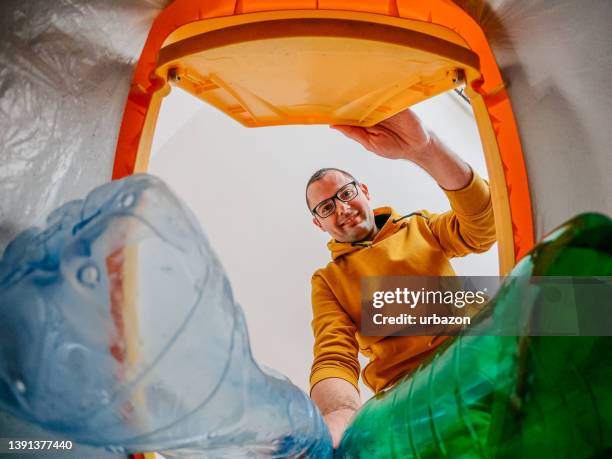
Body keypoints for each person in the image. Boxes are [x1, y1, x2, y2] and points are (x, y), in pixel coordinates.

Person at [305, 108, 496, 447]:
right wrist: (337, 415)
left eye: (345, 194)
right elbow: (334, 356)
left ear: (364, 191)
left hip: (477, 358)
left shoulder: (420, 227)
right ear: (319, 224)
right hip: (412, 396)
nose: (342, 209)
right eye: (326, 208)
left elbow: (484, 227)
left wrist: (426, 149)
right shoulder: (329, 280)